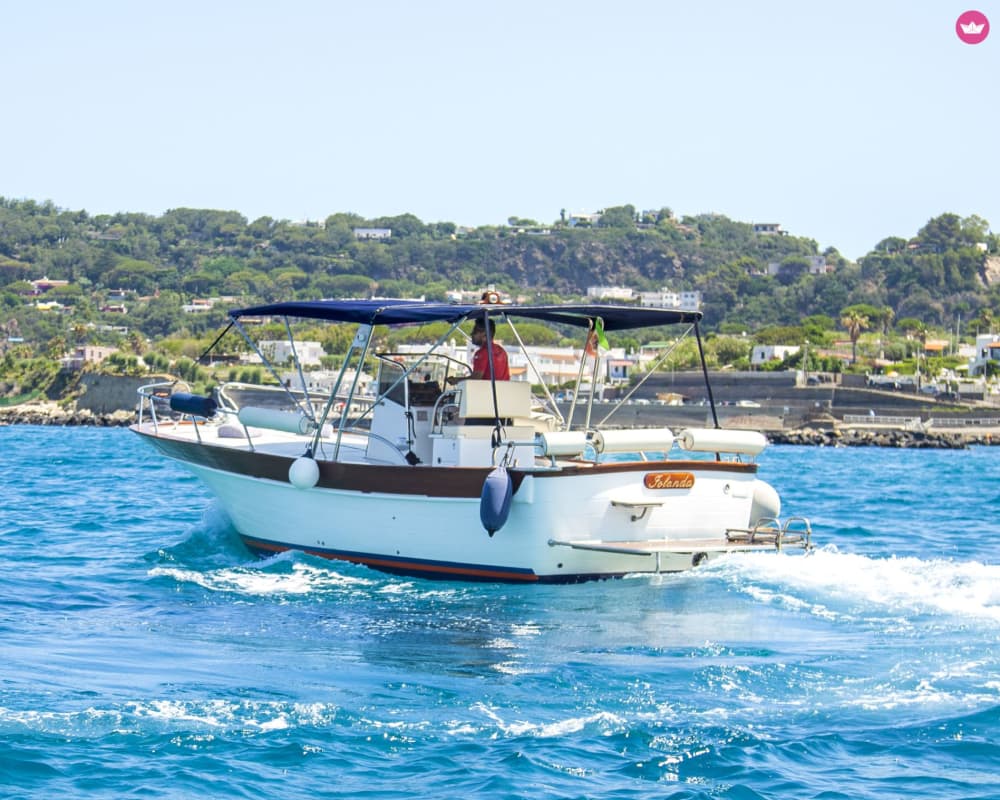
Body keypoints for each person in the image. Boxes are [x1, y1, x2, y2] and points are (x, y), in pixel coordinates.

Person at [448, 318, 510, 384]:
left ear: (484, 334)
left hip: (486, 392)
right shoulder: (502, 351)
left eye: (475, 331)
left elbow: (475, 379)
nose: (471, 334)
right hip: (503, 393)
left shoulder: (482, 353)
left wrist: (456, 380)